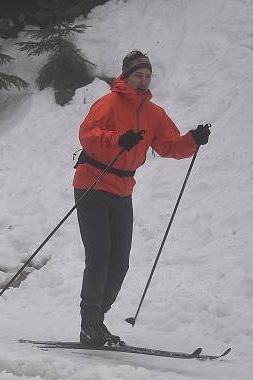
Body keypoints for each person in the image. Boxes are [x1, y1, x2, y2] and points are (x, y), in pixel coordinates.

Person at [72, 50, 210, 346]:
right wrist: (117, 139)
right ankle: (88, 324)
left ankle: (98, 320)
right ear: (125, 76)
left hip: (123, 189)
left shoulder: (154, 113)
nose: (143, 81)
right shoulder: (107, 104)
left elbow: (169, 146)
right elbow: (88, 135)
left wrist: (192, 140)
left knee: (119, 262)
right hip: (93, 184)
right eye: (138, 76)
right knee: (99, 257)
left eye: (147, 76)